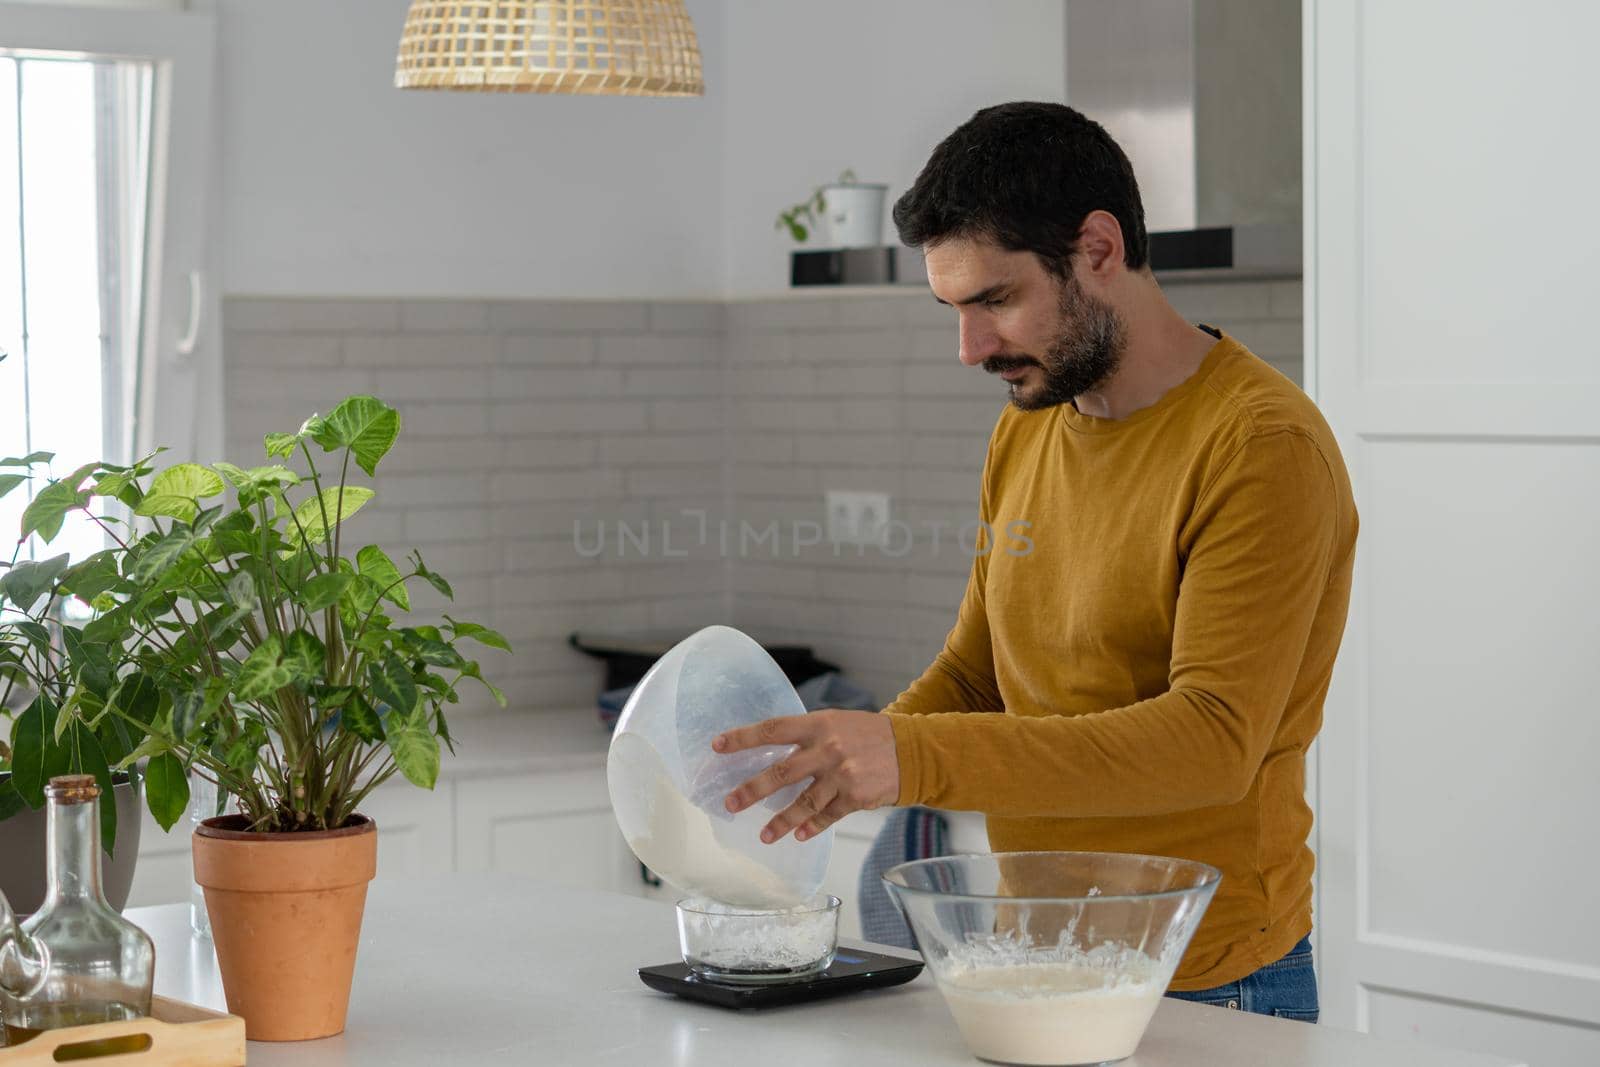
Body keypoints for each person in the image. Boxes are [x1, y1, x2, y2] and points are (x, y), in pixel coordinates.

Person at [714, 101, 1357, 1021]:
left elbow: (1212, 741)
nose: (971, 348)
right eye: (954, 309)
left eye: (994, 300)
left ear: (1098, 248)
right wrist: (830, 767)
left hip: (1211, 978)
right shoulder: (1031, 430)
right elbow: (979, 672)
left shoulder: (1260, 445)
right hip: (1037, 959)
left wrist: (908, 754)